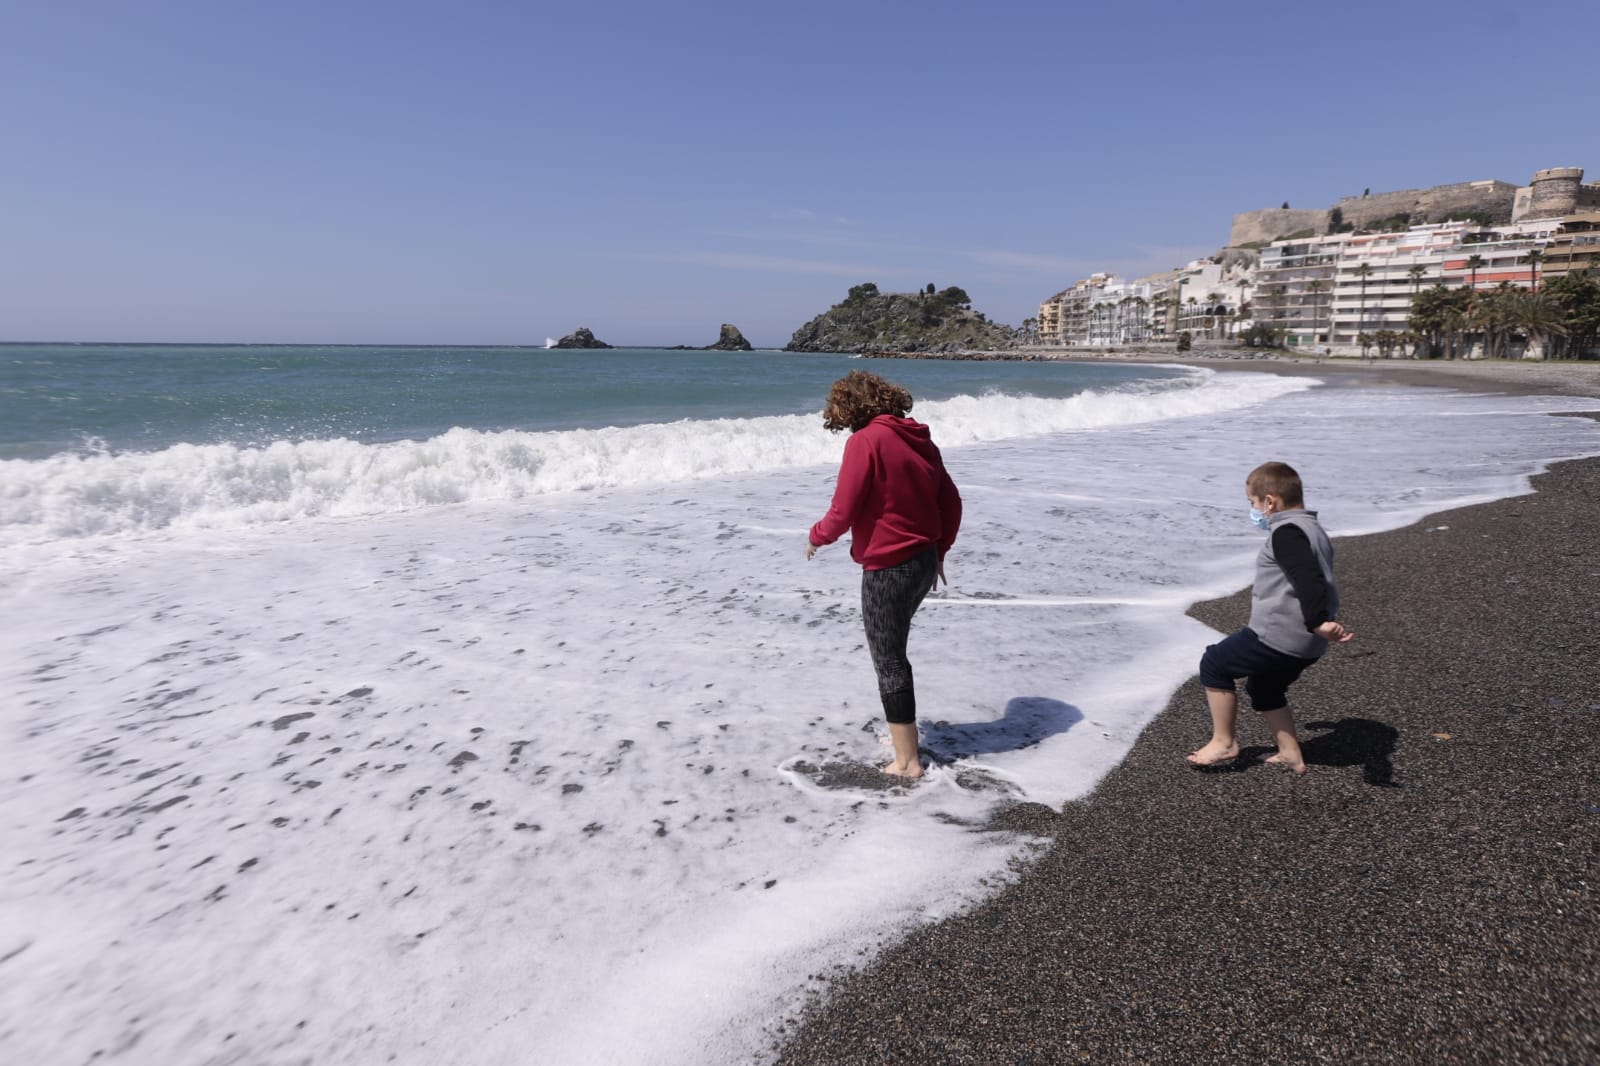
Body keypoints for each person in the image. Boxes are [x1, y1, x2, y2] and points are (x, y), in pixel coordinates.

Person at [806, 370, 962, 779]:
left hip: (888, 567)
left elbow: (844, 510)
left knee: (890, 660)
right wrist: (939, 553)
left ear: (850, 406)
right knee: (896, 651)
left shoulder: (865, 441)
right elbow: (952, 502)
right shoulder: (919, 439)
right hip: (923, 559)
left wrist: (816, 537)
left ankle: (907, 761)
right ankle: (901, 736)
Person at [1186, 461, 1353, 774]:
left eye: (1253, 503)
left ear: (1271, 501)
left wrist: (1318, 619)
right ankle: (1290, 752)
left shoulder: (1286, 533)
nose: (1254, 511)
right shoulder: (1313, 529)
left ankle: (1223, 742)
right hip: (1309, 643)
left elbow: (1307, 575)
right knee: (1264, 687)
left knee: (1214, 663)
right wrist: (1320, 625)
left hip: (1278, 635)